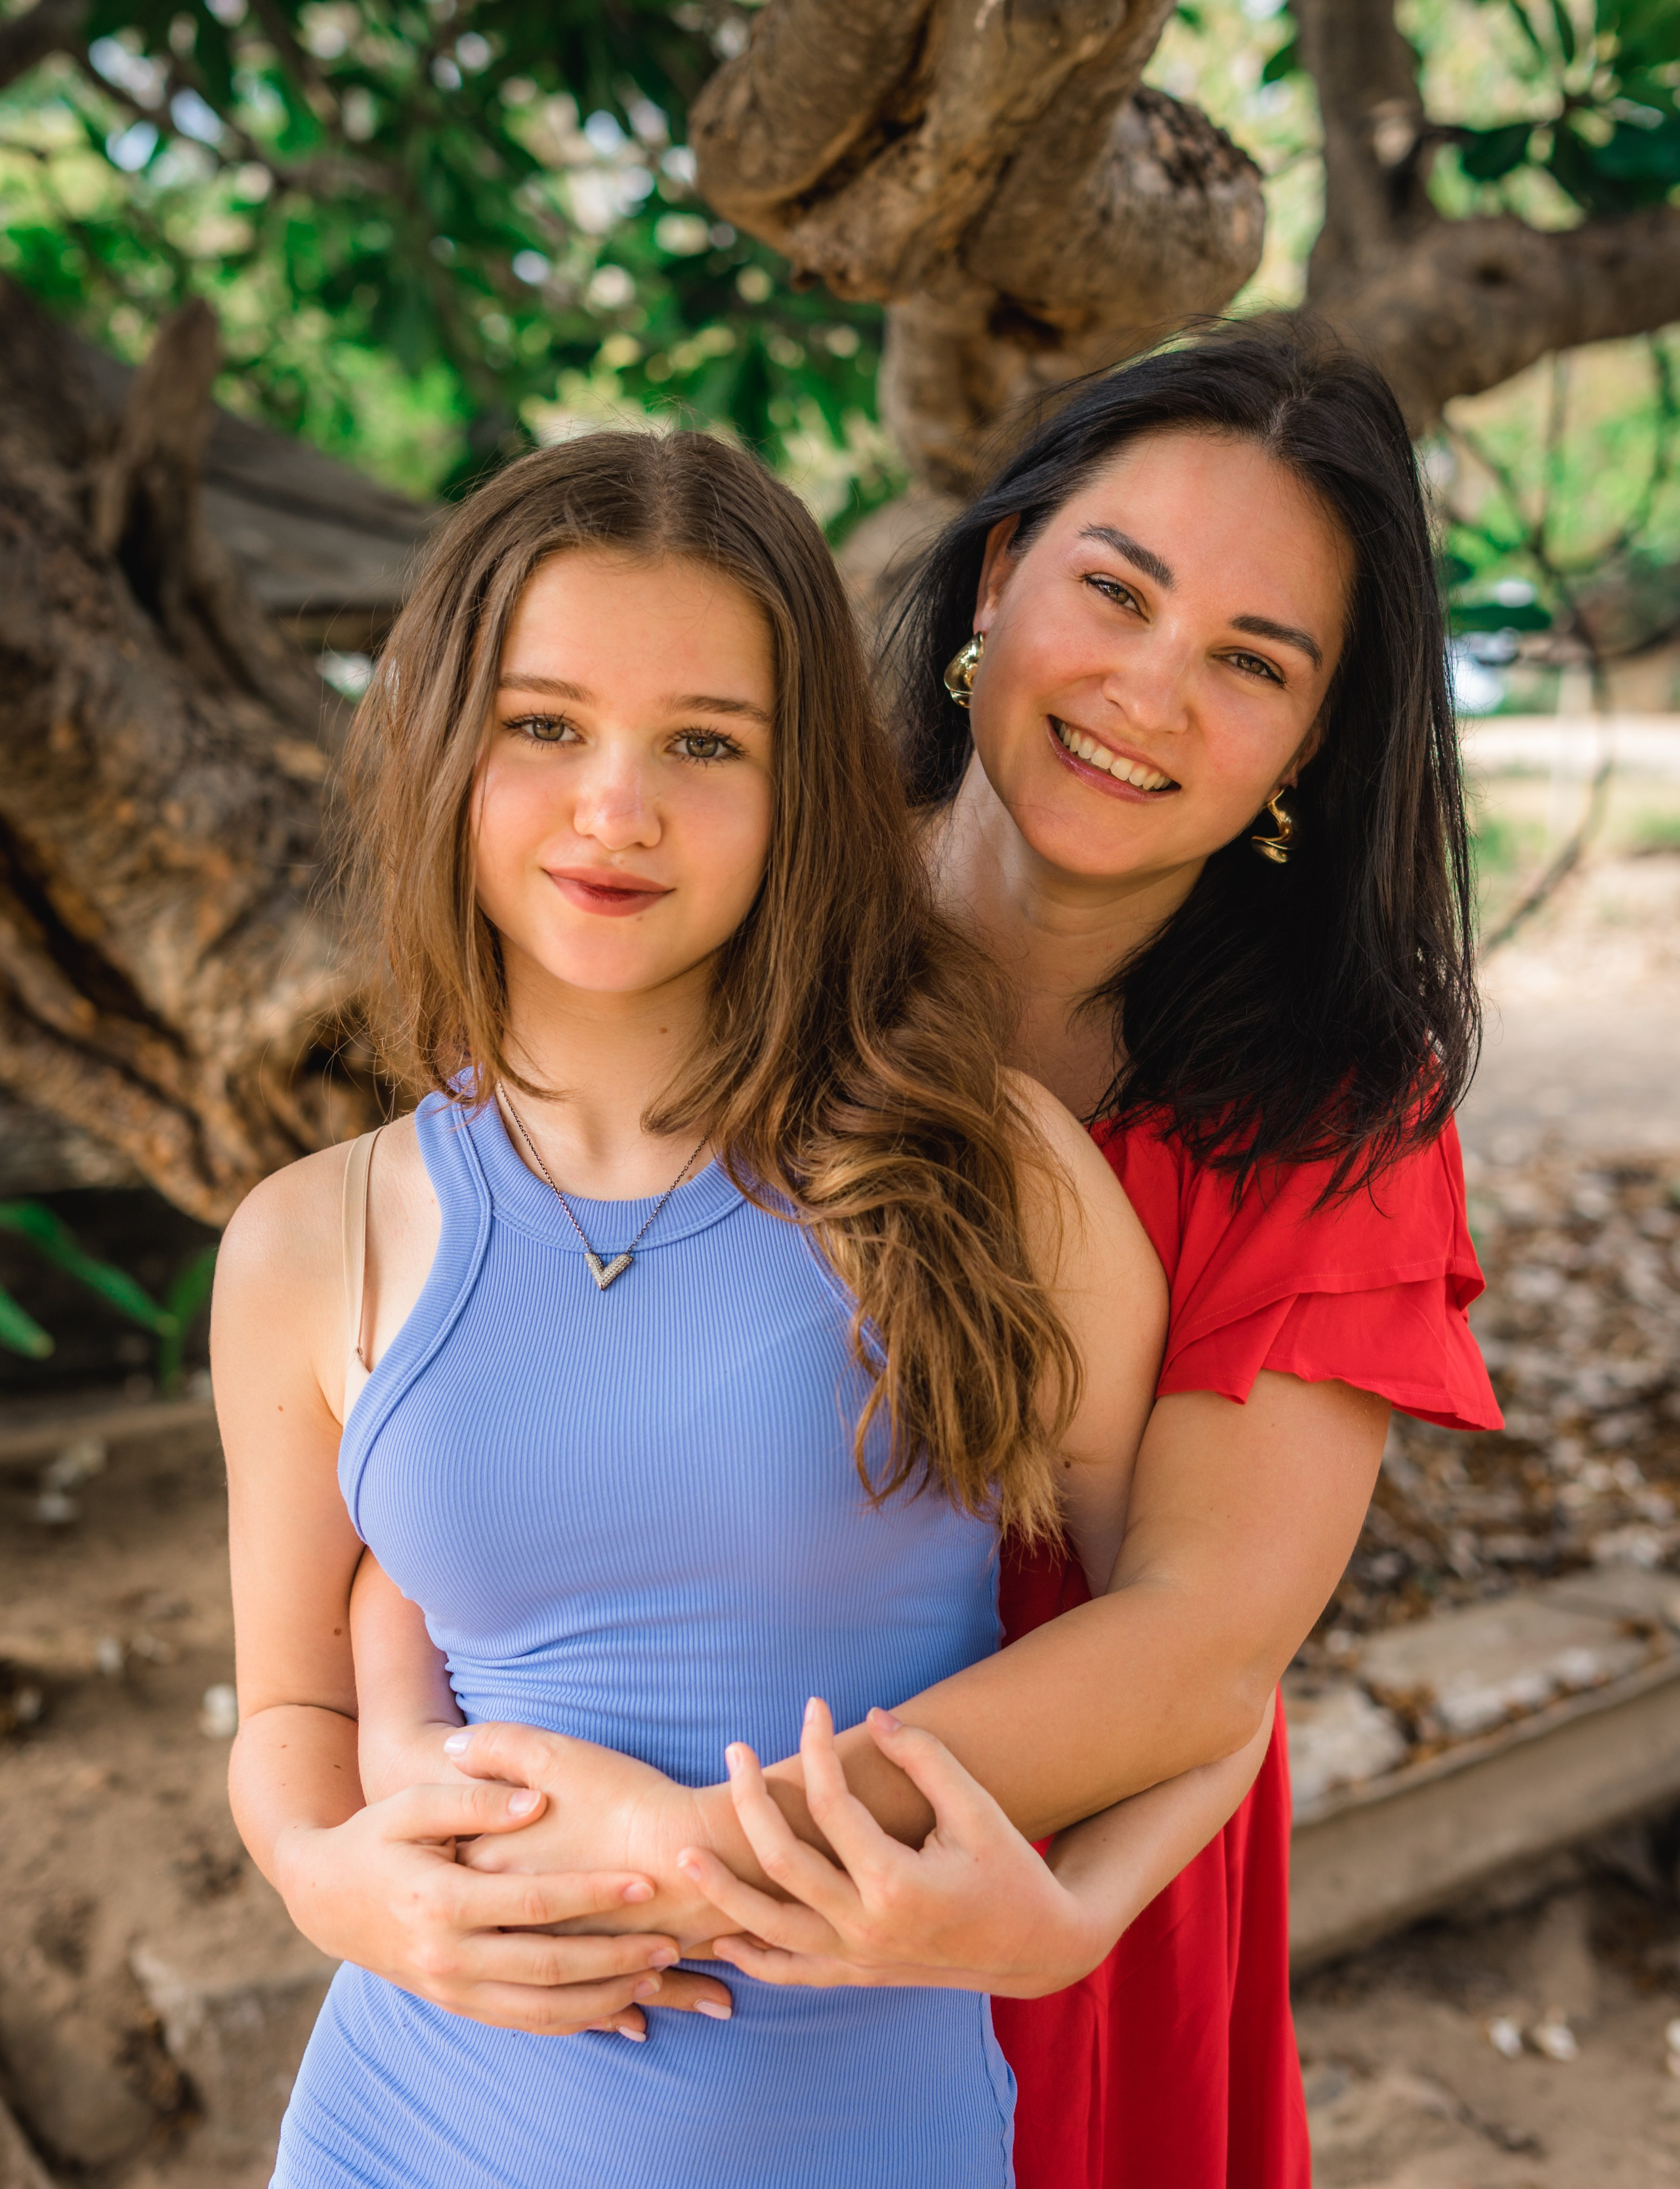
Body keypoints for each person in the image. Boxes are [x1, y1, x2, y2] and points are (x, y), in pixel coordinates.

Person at [211, 426, 1274, 2188]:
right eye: (545, 725)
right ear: (440, 745)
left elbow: (1205, 1663)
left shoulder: (980, 1167)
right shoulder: (309, 1241)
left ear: (802, 795)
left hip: (871, 2139)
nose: (616, 808)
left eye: (705, 743)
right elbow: (291, 1715)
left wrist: (1076, 1914)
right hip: (407, 2127)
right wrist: (333, 1885)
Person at [673, 323, 1504, 2188]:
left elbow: (1202, 1638)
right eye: (1115, 592)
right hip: (636, 1784)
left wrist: (685, 1865)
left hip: (1027, 1888)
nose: (1147, 692)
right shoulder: (736, 916)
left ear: (1314, 743)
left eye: (1251, 663)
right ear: (998, 576)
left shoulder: (1336, 1111)